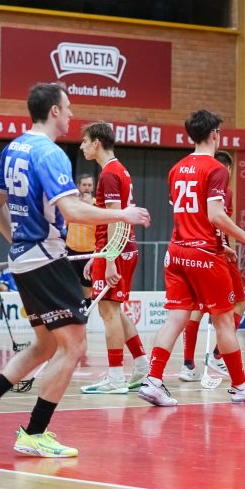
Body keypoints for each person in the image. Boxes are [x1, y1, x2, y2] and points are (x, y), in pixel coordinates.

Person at [0, 82, 150, 458]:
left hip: (25, 259)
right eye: (69, 107)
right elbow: (72, 211)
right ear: (54, 111)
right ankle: (35, 432)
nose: (72, 114)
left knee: (45, 345)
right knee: (74, 345)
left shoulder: (14, 148)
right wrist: (122, 214)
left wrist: (18, 242)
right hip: (46, 259)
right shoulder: (50, 154)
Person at [137, 109, 245, 407]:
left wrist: (222, 242)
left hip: (176, 252)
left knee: (175, 318)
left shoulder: (176, 169)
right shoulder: (217, 169)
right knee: (224, 320)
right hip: (204, 255)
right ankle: (240, 386)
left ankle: (153, 380)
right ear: (214, 135)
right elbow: (214, 215)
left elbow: (190, 213)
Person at [77, 122, 150, 394]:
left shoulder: (109, 173)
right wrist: (99, 255)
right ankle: (141, 364)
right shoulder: (119, 170)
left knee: (108, 313)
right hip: (119, 248)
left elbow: (114, 219)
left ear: (96, 143)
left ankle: (116, 378)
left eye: (85, 141)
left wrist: (108, 259)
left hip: (116, 250)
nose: (82, 146)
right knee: (116, 311)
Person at [179, 150, 245, 382]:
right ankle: (214, 357)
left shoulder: (196, 181)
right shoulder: (220, 188)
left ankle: (193, 363)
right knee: (231, 305)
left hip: (196, 250)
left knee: (199, 308)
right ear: (226, 169)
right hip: (213, 253)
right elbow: (215, 222)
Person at [64, 173, 96, 302]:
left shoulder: (98, 205)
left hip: (90, 254)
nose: (87, 188)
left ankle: (86, 313)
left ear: (93, 187)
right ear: (78, 186)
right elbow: (63, 225)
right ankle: (72, 311)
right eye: (84, 185)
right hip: (71, 251)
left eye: (89, 185)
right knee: (69, 286)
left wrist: (90, 207)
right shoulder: (71, 205)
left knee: (87, 289)